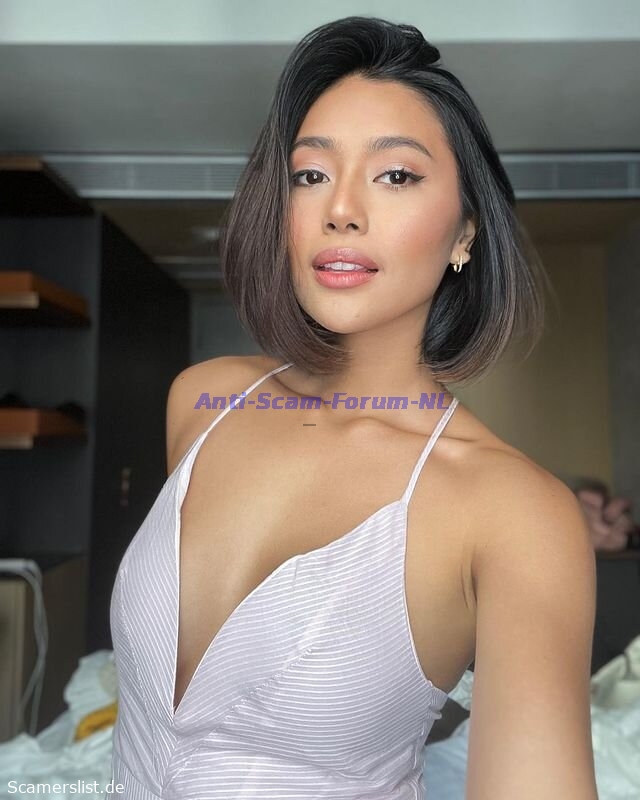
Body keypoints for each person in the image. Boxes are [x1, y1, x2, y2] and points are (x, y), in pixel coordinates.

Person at [107, 16, 599, 799]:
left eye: (395, 175)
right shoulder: (202, 402)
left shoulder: (514, 513)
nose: (341, 209)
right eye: (310, 175)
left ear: (465, 232)